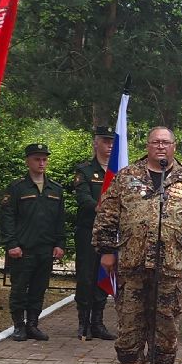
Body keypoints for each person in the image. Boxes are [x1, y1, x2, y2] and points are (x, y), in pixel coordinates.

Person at [93, 127, 182, 364]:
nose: (160, 147)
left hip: (172, 264)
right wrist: (105, 250)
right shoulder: (127, 177)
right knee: (130, 318)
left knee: (166, 319)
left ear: (174, 146)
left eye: (165, 142)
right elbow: (107, 215)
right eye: (155, 142)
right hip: (132, 262)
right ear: (147, 145)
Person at [0, 143, 67, 342]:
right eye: (37, 159)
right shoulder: (16, 187)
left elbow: (59, 219)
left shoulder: (55, 188)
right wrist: (11, 243)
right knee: (19, 288)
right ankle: (19, 325)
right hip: (23, 248)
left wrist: (60, 243)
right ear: (28, 161)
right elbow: (7, 217)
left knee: (39, 288)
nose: (41, 163)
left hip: (45, 248)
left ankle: (33, 324)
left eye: (44, 159)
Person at [73, 125, 117, 341]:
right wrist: (100, 208)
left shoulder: (119, 171)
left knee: (104, 274)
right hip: (89, 231)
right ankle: (83, 323)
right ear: (96, 143)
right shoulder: (85, 171)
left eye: (112, 142)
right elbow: (82, 198)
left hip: (111, 233)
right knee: (86, 276)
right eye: (105, 141)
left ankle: (98, 322)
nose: (109, 146)